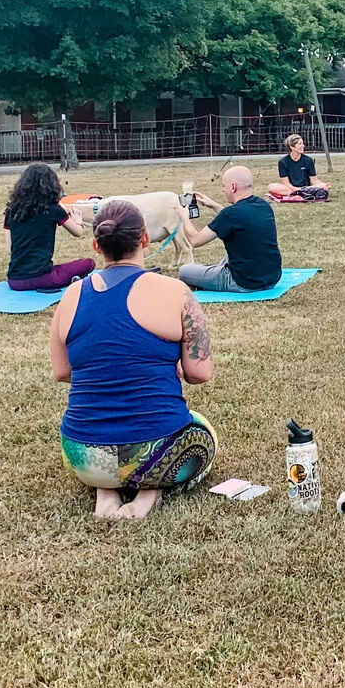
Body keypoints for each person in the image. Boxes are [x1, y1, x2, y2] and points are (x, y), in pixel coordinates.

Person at [49, 199, 216, 521]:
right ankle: (148, 491)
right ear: (143, 240)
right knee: (201, 430)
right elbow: (200, 372)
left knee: (103, 438)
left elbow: (62, 371)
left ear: (97, 245)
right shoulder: (176, 292)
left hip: (82, 455)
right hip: (159, 448)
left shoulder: (70, 297)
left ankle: (106, 489)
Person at [176, 166, 283, 293]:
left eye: (224, 186)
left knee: (185, 270)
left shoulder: (230, 215)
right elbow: (238, 219)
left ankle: (212, 273)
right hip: (272, 278)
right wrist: (213, 205)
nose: (223, 190)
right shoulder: (263, 205)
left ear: (233, 187)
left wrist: (184, 217)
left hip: (242, 282)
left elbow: (195, 241)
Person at [4, 163, 94, 292]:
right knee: (88, 263)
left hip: (15, 281)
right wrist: (78, 220)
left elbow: (10, 248)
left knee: (58, 269)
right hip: (44, 278)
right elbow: (78, 232)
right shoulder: (52, 209)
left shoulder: (12, 210)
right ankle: (72, 280)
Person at [268, 134, 329, 201]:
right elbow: (286, 183)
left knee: (324, 186)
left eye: (303, 144)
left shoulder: (309, 160)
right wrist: (296, 189)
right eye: (300, 144)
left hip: (307, 188)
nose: (303, 146)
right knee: (271, 187)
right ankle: (302, 194)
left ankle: (300, 194)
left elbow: (313, 180)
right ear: (292, 147)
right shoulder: (283, 162)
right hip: (291, 188)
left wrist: (323, 185)